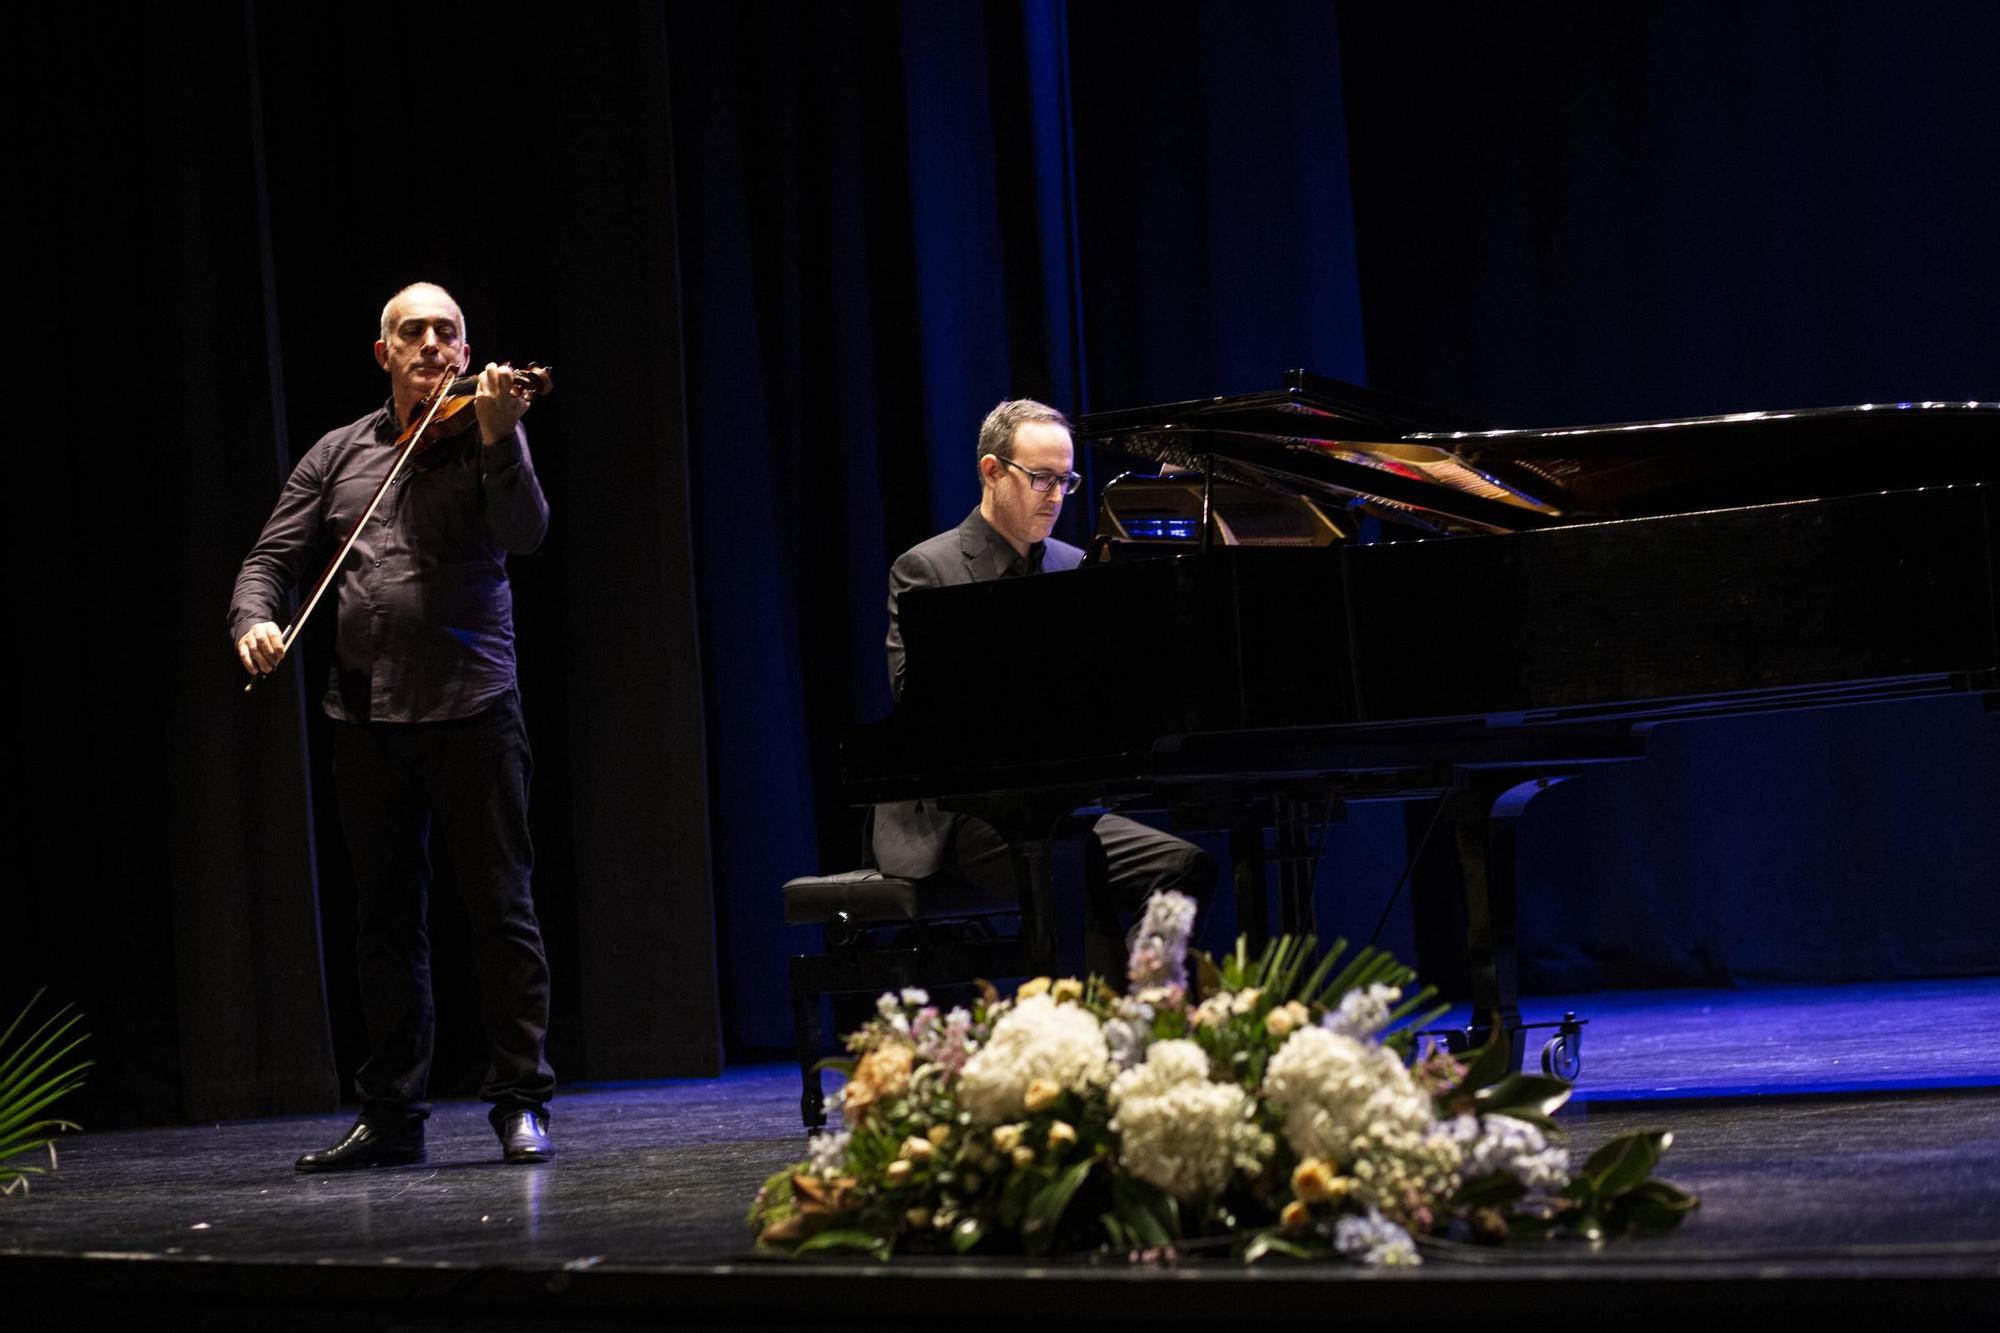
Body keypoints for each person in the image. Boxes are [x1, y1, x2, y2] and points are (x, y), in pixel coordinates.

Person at [230, 282, 555, 1170]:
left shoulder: (488, 430)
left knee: (501, 911)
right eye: (411, 333)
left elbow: (526, 533)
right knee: (384, 923)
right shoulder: (339, 455)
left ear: (465, 344)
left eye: (446, 332)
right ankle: (392, 1116)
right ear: (385, 353)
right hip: (366, 715)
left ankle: (521, 1102)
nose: (430, 345)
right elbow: (271, 559)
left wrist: (498, 430)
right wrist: (256, 619)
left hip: (476, 709)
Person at [873, 398, 1215, 977]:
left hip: (1060, 806)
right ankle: (1089, 1041)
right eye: (1041, 479)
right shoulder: (928, 568)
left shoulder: (1075, 564)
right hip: (961, 818)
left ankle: (1140, 1010)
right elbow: (916, 704)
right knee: (1073, 864)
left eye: (1066, 481)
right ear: (992, 472)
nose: (1056, 496)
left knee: (1184, 866)